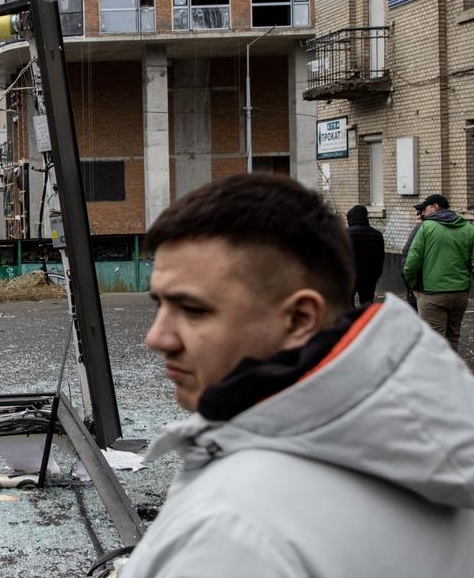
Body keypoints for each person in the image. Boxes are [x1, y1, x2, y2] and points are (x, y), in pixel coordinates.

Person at [121, 173, 474, 577]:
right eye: (159, 305)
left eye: (194, 310)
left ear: (300, 317)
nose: (156, 337)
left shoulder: (230, 532)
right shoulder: (442, 443)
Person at [403, 193, 474, 351]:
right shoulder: (469, 228)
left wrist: (413, 285)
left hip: (433, 293)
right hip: (460, 293)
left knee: (433, 342)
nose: (423, 213)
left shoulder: (426, 227)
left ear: (435, 207)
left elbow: (412, 262)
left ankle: (438, 375)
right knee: (453, 337)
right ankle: (452, 373)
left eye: (425, 209)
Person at [345, 205, 383, 307]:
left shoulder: (345, 234)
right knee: (367, 303)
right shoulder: (377, 235)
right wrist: (377, 275)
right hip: (369, 277)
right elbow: (379, 258)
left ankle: (352, 322)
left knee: (347, 304)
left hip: (349, 276)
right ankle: (367, 321)